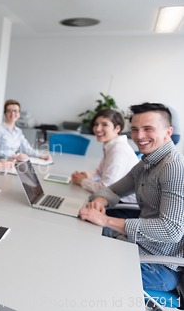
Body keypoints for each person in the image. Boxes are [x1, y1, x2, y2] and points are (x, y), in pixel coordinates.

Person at [79, 103, 184, 293]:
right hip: (136, 246)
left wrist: (105, 220)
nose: (139, 136)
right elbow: (114, 190)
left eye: (148, 129)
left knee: (84, 266)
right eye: (135, 129)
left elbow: (171, 230)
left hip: (158, 266)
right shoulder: (147, 162)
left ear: (168, 132)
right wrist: (100, 201)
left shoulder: (173, 167)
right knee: (80, 240)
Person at [71, 109, 139, 206]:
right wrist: (84, 175)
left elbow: (106, 189)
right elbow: (99, 172)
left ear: (117, 128)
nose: (98, 129)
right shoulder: (111, 145)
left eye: (104, 124)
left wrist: (82, 181)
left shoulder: (118, 150)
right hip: (116, 199)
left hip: (124, 205)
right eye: (96, 124)